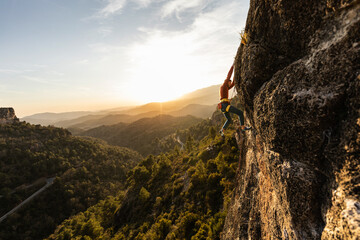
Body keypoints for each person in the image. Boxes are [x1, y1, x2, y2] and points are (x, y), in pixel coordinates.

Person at [218, 64, 251, 136]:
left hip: (223, 107)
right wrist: (233, 66)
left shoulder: (224, 88)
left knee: (229, 120)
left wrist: (235, 76)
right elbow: (229, 75)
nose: (230, 84)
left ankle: (222, 130)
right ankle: (243, 127)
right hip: (225, 105)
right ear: (227, 82)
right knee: (240, 113)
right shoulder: (224, 85)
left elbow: (233, 84)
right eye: (229, 83)